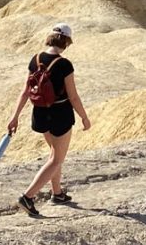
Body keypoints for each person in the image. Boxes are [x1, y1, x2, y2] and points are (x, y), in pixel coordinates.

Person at [7, 24, 91, 217]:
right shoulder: (64, 64)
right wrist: (84, 117)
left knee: (54, 154)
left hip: (40, 114)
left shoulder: (35, 59)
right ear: (67, 42)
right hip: (60, 114)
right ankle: (27, 197)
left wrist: (14, 117)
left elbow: (25, 91)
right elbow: (74, 97)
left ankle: (57, 193)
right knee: (56, 159)